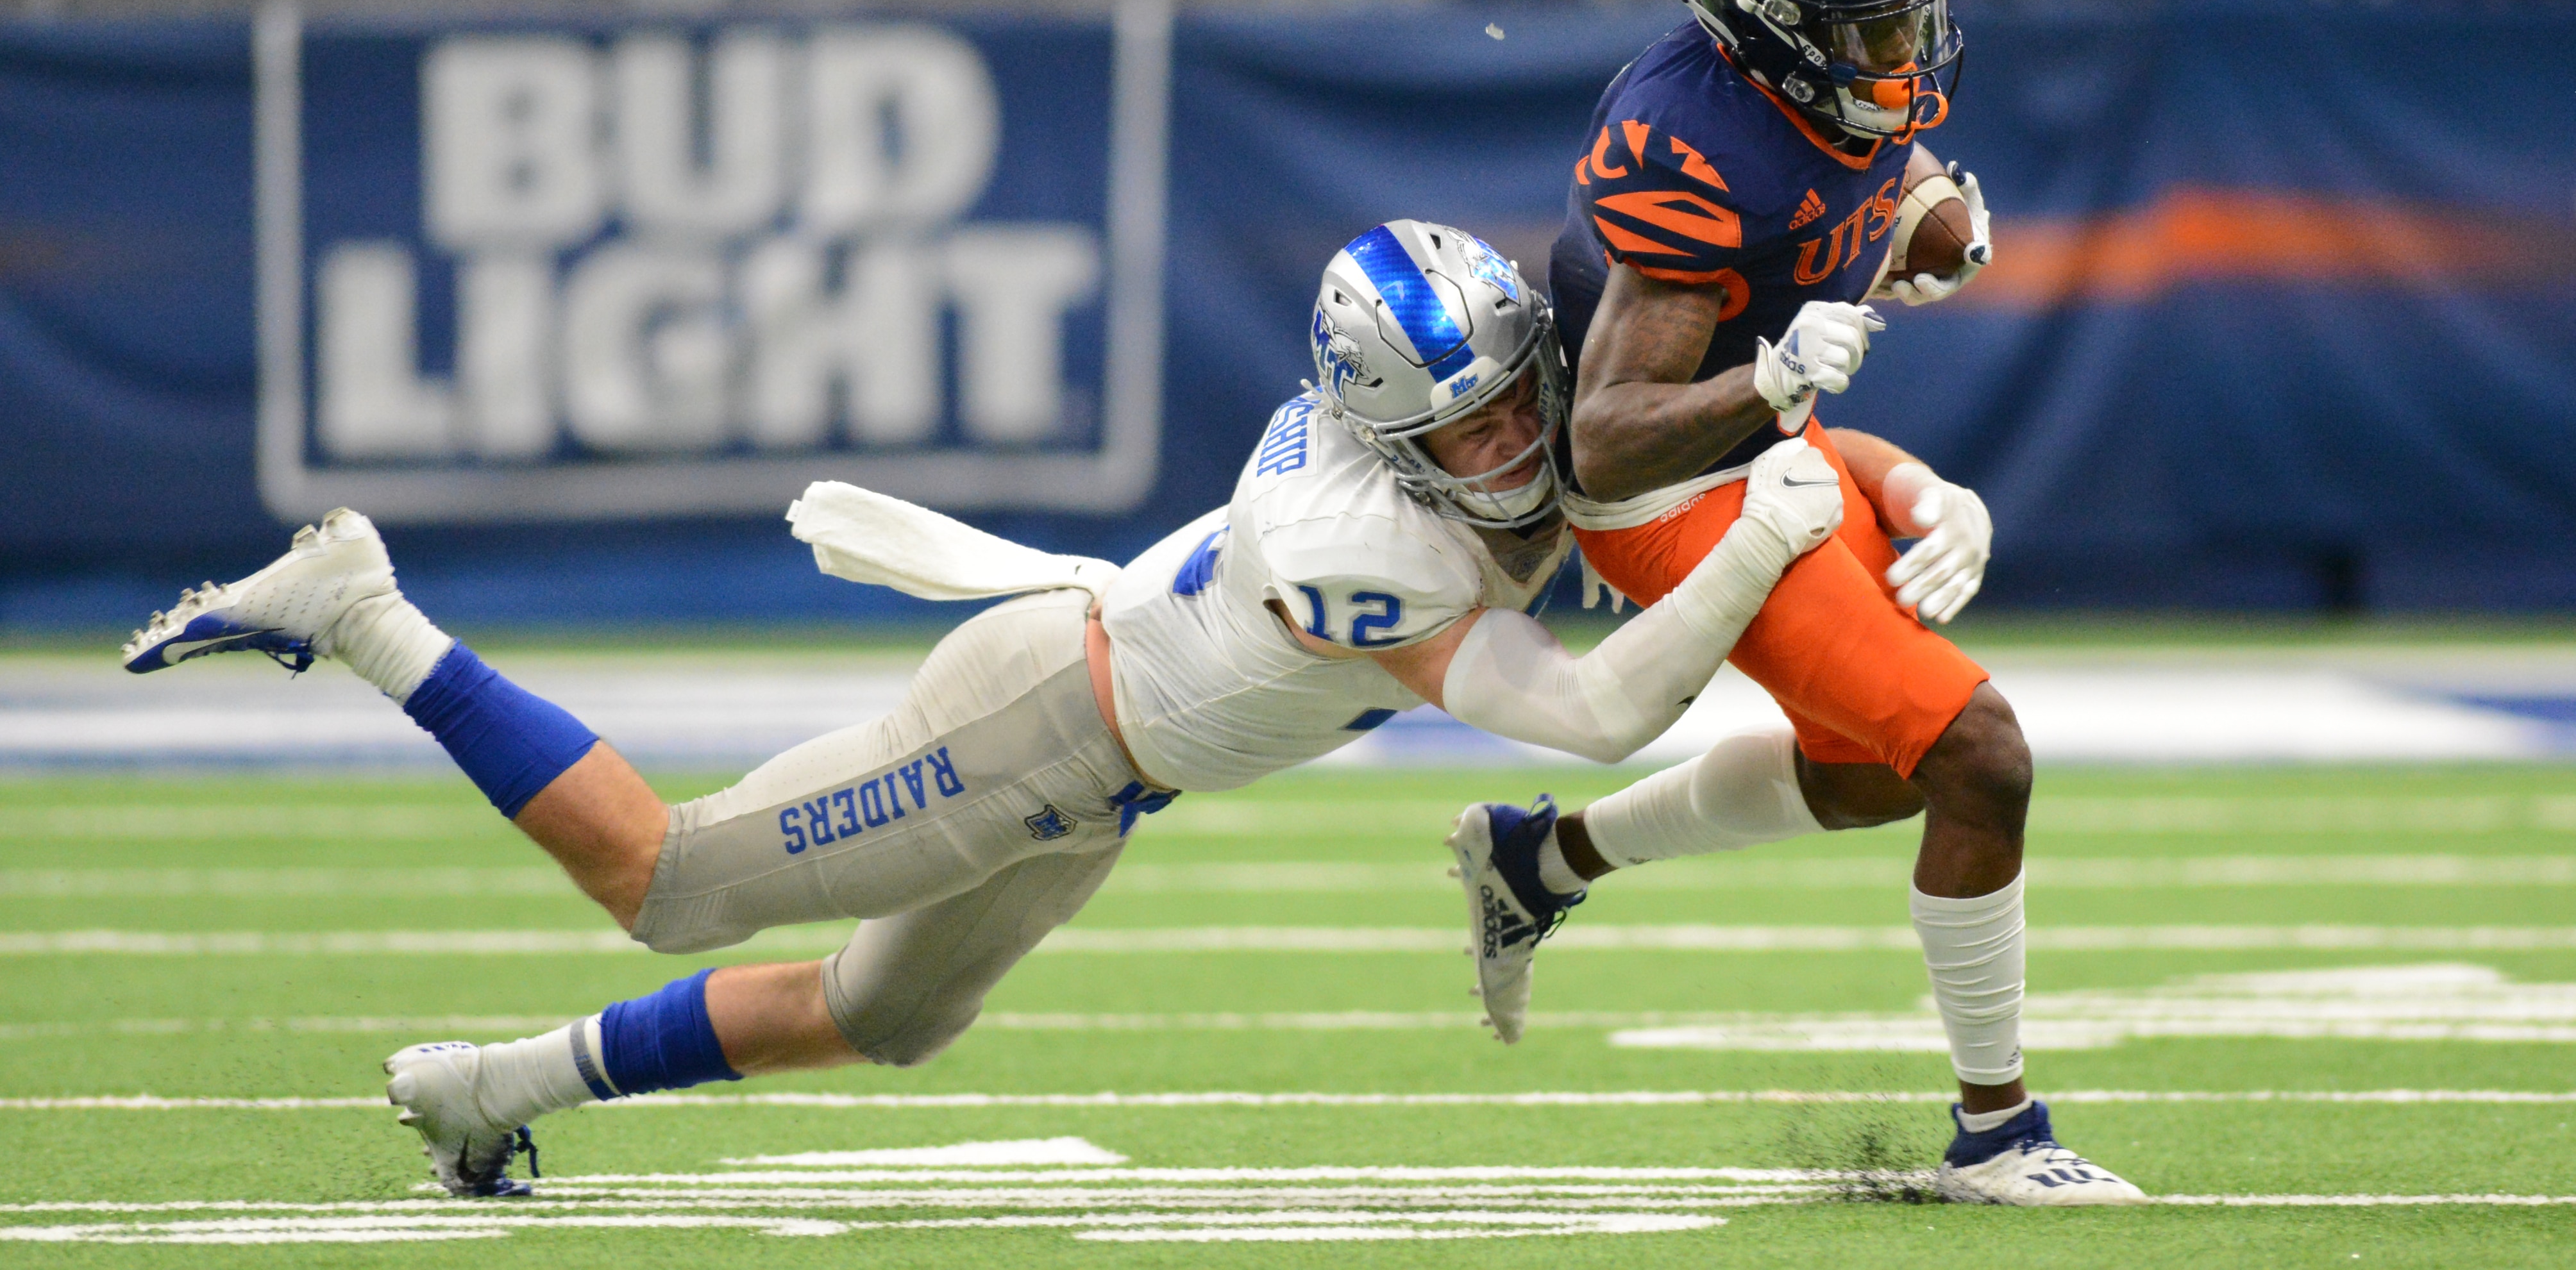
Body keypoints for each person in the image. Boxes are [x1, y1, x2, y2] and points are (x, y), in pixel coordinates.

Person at [122, 218, 1845, 1198]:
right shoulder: (1362, 543)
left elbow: (1640, 341)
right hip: (1041, 722)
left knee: (882, 1021)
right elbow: (1608, 709)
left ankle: (491, 1088)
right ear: (1390, 437)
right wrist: (1769, 513)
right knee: (659, 881)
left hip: (1109, 771)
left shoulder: (1487, 418)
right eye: (1463, 430)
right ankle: (364, 606)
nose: (1508, 442)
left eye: (1516, 401)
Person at [1444, 0, 2144, 1205]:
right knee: (1979, 757)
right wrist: (1768, 378)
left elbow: (1880, 170)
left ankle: (1540, 857)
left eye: (1911, 14)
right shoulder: (1693, 141)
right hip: (1670, 496)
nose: (1905, 49)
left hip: (1770, 453)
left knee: (1889, 769)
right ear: (1771, 28)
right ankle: (1995, 1133)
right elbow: (1607, 434)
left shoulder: (1821, 94)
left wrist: (1926, 211)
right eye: (1871, 27)